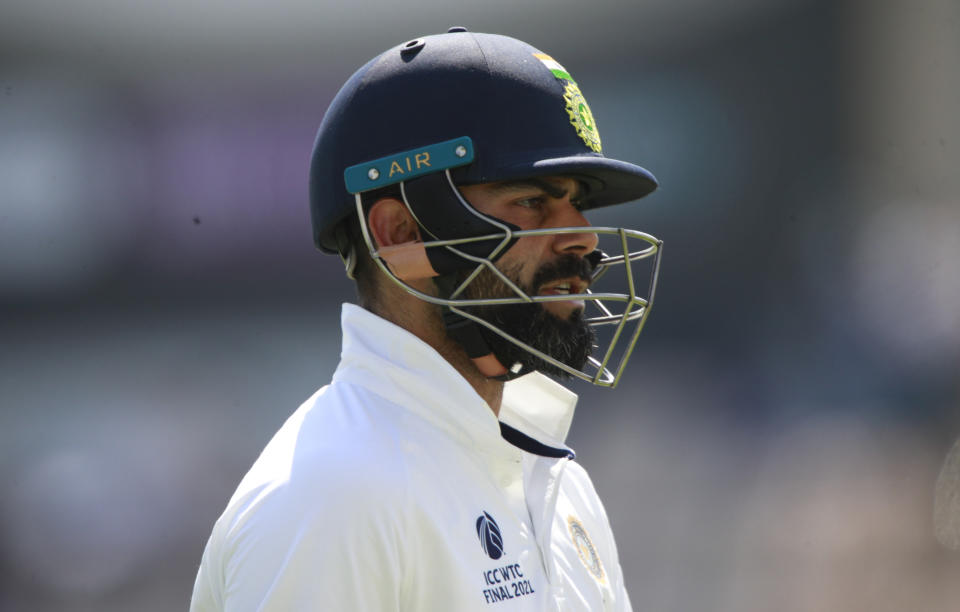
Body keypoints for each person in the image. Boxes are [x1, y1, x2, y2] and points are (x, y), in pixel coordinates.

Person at [190, 28, 663, 611]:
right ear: (402, 234)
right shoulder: (332, 495)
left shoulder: (563, 491)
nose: (583, 237)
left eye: (577, 202)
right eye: (532, 200)